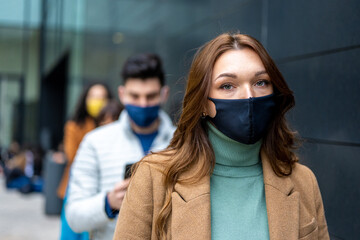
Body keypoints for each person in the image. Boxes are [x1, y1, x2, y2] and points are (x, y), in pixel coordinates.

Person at [113, 33, 330, 240]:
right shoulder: (153, 178)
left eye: (260, 82)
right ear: (203, 103)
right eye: (227, 85)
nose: (249, 96)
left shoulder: (303, 181)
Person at [65, 53, 175, 240]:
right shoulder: (95, 142)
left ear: (164, 94)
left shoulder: (182, 141)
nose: (143, 103)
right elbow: (74, 216)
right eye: (135, 96)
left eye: (150, 96)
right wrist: (109, 202)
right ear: (122, 94)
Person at [58, 82, 113, 240]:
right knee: (72, 230)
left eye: (101, 97)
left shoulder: (112, 126)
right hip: (78, 181)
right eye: (93, 97)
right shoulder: (75, 125)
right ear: (85, 99)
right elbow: (72, 156)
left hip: (104, 184)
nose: (97, 101)